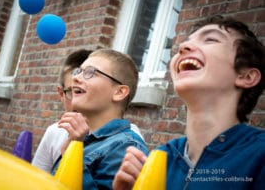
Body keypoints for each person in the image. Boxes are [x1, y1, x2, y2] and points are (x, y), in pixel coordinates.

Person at [113, 15, 265, 190]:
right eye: (184, 43)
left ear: (246, 76)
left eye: (210, 39)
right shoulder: (160, 158)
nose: (182, 48)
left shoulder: (260, 155)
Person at [32, 49, 145, 173]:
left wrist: (74, 157)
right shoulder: (78, 138)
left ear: (119, 92)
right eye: (78, 72)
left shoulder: (127, 147)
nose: (75, 78)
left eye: (90, 72)